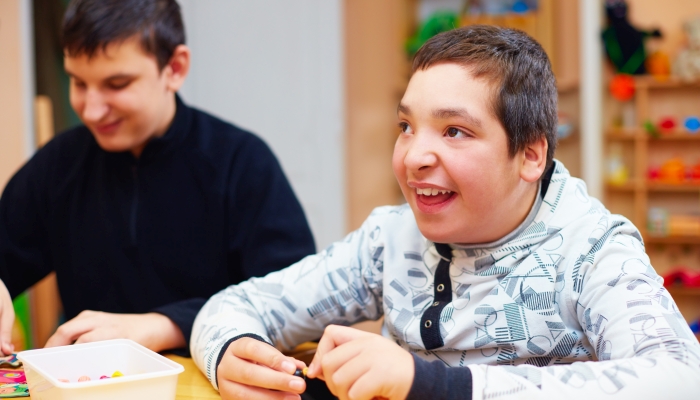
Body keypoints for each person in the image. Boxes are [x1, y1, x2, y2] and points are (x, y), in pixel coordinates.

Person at [191, 25, 700, 400]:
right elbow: (235, 305)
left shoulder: (593, 249)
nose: (414, 156)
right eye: (406, 126)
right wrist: (230, 350)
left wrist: (432, 384)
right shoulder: (389, 238)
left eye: (454, 131)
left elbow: (680, 378)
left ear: (530, 156)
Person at [0, 0, 315, 356]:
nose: (90, 109)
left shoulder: (241, 162)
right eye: (78, 82)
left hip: (211, 383)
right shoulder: (58, 164)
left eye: (116, 84)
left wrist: (163, 326)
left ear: (175, 68)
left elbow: (295, 302)